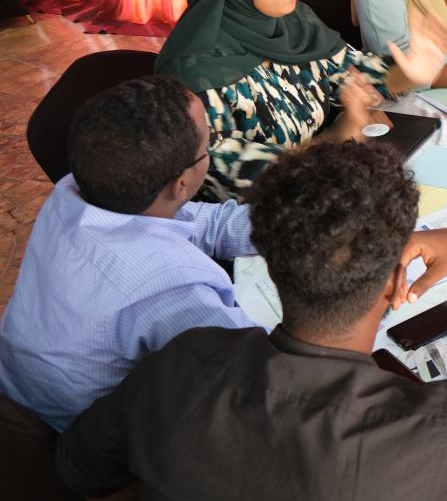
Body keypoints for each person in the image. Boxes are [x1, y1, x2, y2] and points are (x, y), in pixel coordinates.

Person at [56, 141, 447, 500]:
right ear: (396, 283)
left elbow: (81, 467)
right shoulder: (428, 431)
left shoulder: (180, 363)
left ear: (270, 266)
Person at [0, 76, 256, 431]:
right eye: (208, 144)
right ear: (181, 184)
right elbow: (257, 382)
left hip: (19, 391)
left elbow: (206, 223)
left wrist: (303, 222)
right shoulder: (168, 286)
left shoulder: (78, 191)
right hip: (88, 447)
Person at [155, 0, 447, 202]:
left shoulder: (294, 22)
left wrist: (410, 72)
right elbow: (236, 181)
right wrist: (337, 136)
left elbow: (355, 73)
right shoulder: (194, 73)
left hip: (335, 184)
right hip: (269, 225)